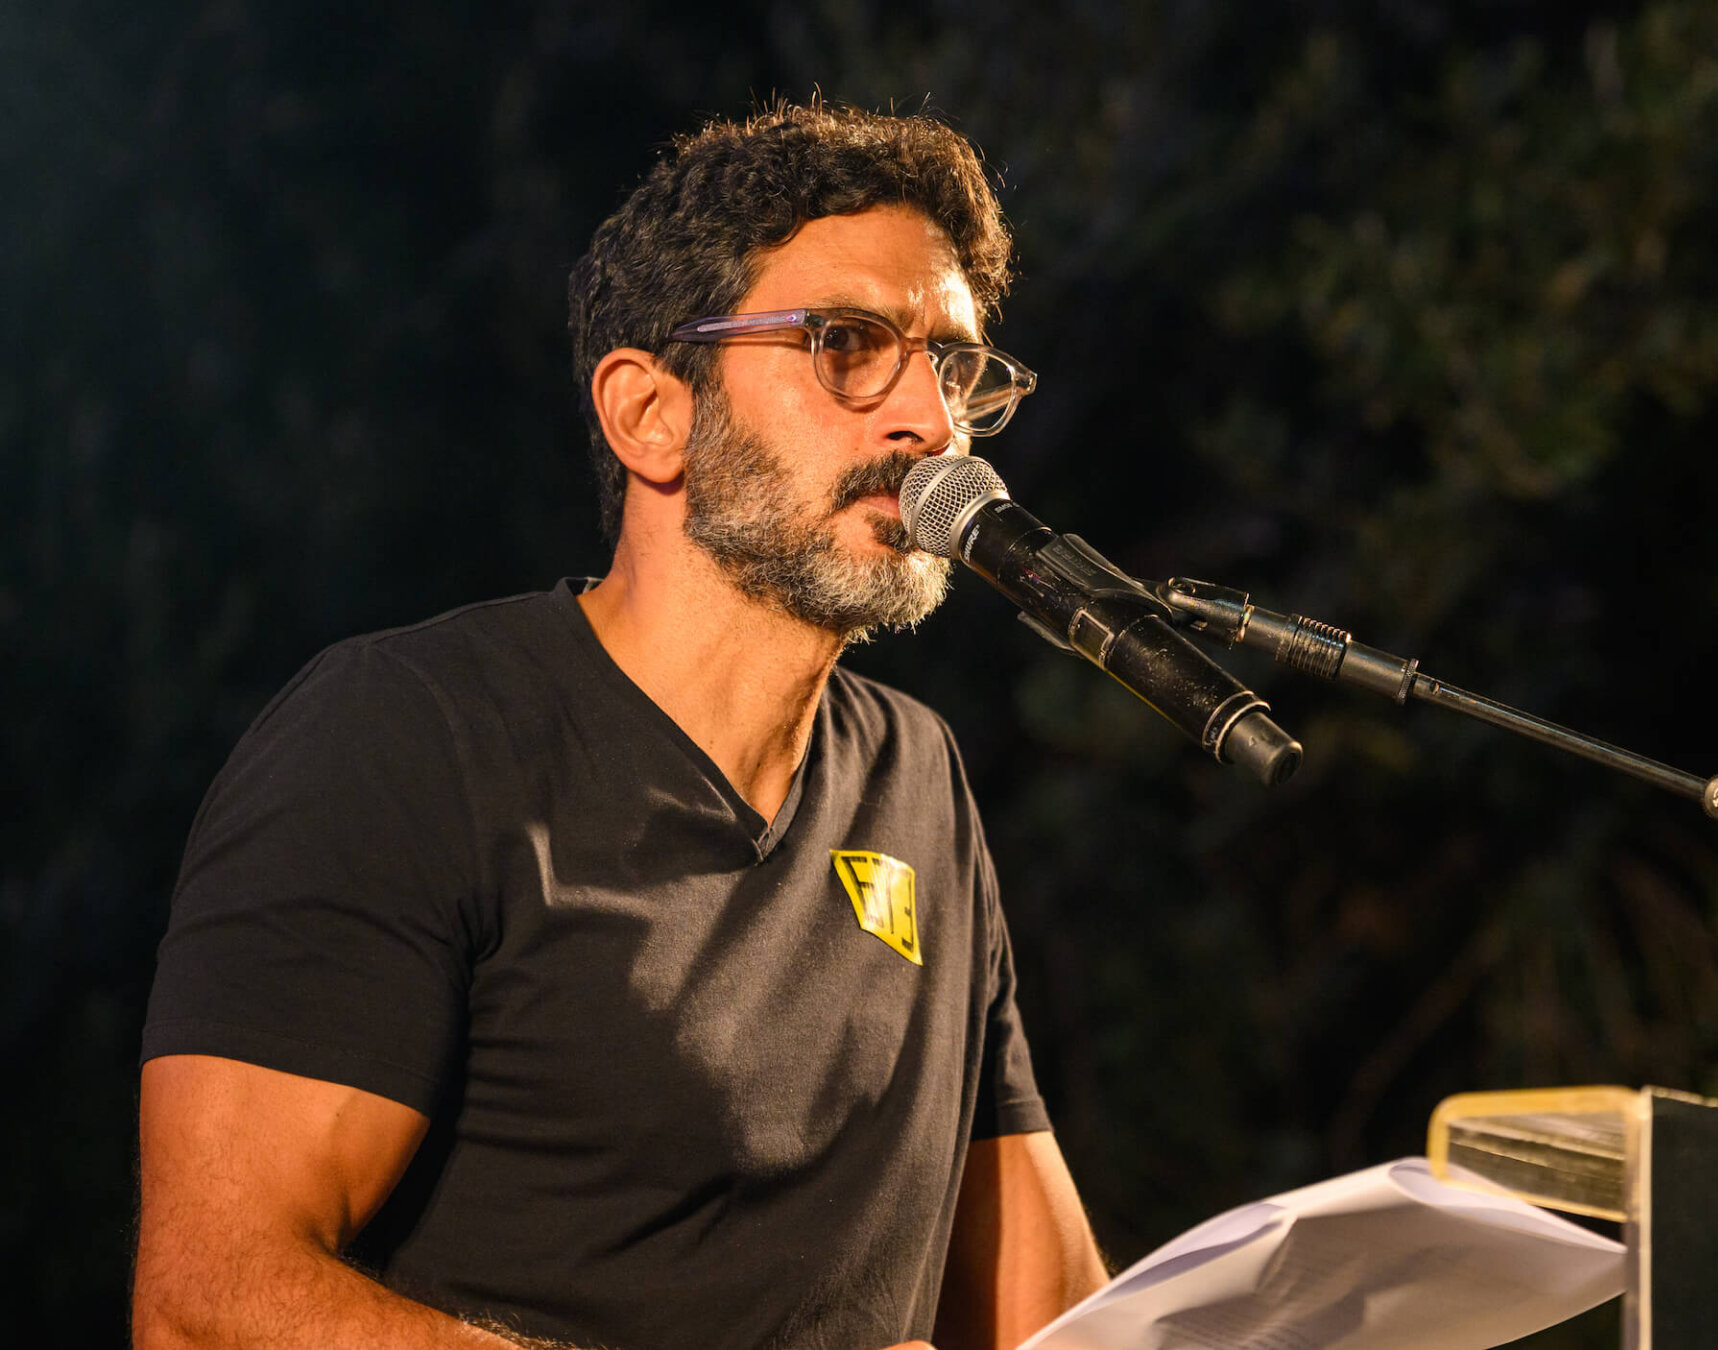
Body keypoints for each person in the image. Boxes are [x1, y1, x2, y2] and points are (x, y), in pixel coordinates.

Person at [132, 101, 1108, 1350]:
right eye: (850, 345)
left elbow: (1057, 1315)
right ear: (652, 414)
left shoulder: (914, 773)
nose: (927, 421)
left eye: (953, 364)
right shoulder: (407, 737)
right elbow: (207, 1302)